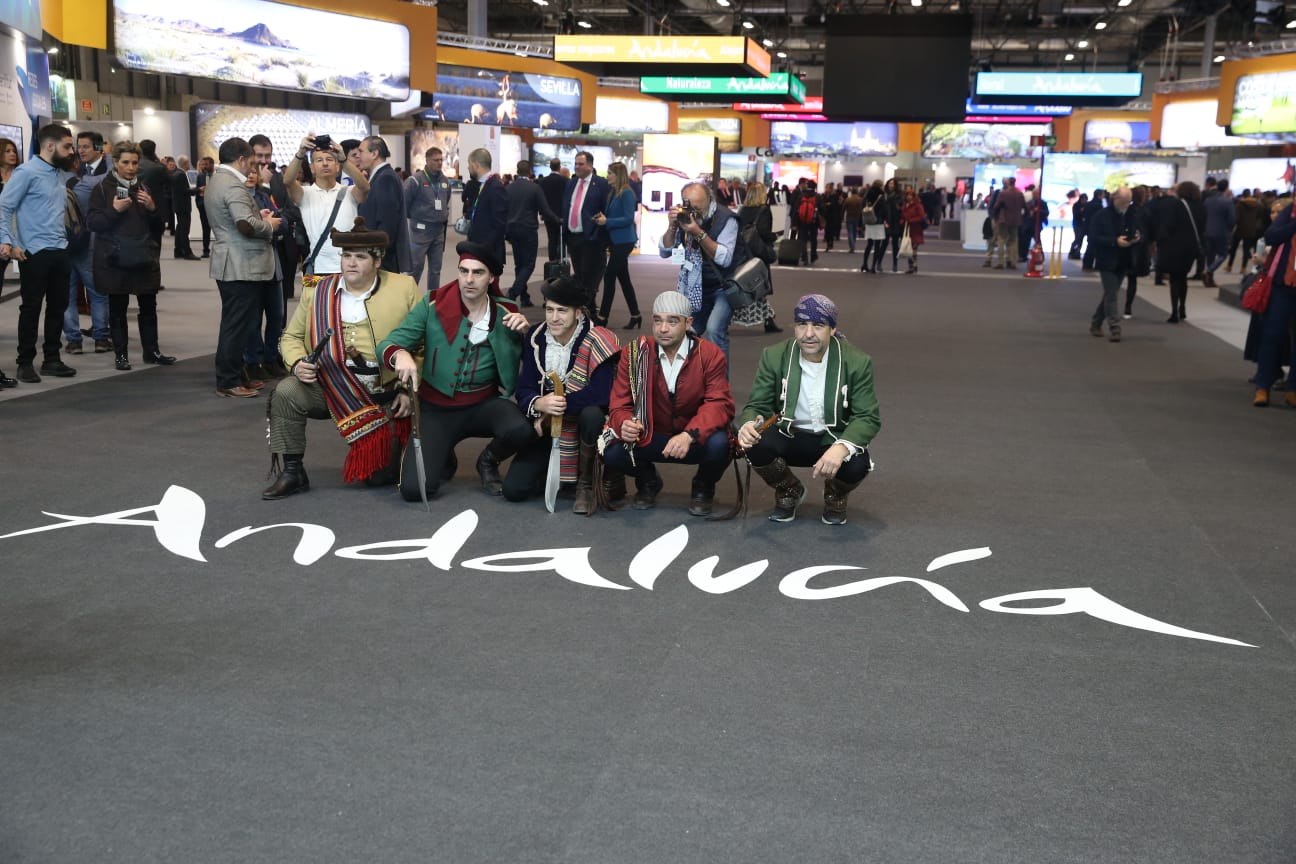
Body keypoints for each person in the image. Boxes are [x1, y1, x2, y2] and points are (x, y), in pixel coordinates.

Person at [261, 219, 423, 500]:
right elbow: (290, 337)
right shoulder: (317, 289)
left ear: (377, 260)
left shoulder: (403, 287)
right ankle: (292, 471)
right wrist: (298, 363)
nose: (351, 263)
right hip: (330, 387)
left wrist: (407, 391)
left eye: (360, 257)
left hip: (382, 394)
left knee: (379, 479)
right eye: (346, 256)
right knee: (286, 392)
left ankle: (424, 455)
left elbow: (422, 345)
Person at [380, 241, 532, 500]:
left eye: (478, 273)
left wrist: (527, 335)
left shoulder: (508, 313)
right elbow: (388, 343)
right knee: (415, 491)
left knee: (519, 429)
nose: (469, 279)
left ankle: (487, 461)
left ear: (492, 277)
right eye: (464, 271)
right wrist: (400, 354)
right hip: (437, 408)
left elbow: (535, 361)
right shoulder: (432, 305)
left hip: (484, 404)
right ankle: (443, 451)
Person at [737, 293, 879, 525]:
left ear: (832, 329)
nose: (808, 333)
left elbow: (867, 417)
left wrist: (841, 448)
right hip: (789, 435)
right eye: (802, 324)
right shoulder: (774, 356)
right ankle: (789, 490)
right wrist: (748, 424)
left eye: (818, 325)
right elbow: (757, 405)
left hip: (831, 438)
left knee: (856, 464)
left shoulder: (856, 362)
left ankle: (835, 493)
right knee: (754, 442)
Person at [601, 291, 734, 515]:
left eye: (672, 321)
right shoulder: (634, 353)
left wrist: (689, 435)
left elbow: (719, 403)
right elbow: (618, 405)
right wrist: (624, 423)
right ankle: (647, 480)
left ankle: (703, 486)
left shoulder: (710, 354)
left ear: (688, 323)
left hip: (692, 437)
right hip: (650, 434)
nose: (663, 328)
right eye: (657, 320)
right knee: (612, 451)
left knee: (722, 445)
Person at [505, 275, 621, 512]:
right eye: (549, 310)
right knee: (514, 490)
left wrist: (557, 406)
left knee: (592, 415)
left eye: (562, 311)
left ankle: (586, 481)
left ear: (578, 313)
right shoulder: (536, 337)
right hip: (548, 428)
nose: (554, 318)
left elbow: (601, 394)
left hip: (585, 426)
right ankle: (555, 473)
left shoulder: (598, 338)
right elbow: (524, 387)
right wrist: (538, 403)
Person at [85, 140, 175, 371]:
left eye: (134, 162)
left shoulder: (144, 189)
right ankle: (121, 355)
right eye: (125, 162)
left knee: (148, 306)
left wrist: (153, 208)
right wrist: (114, 210)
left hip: (143, 256)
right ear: (115, 162)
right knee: (118, 308)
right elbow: (93, 223)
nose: (131, 167)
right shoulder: (103, 189)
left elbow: (159, 226)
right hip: (114, 258)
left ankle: (152, 351)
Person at [0, 124, 78, 384]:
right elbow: (4, 208)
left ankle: (52, 359)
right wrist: (9, 242)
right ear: (50, 146)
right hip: (34, 253)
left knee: (58, 307)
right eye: (67, 146)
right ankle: (24, 363)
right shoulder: (26, 172)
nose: (71, 151)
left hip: (60, 250)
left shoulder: (58, 174)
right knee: (31, 309)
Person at [207, 136, 282, 398]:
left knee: (235, 322)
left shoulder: (218, 181)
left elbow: (240, 220)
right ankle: (228, 380)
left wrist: (255, 218)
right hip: (240, 263)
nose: (253, 168)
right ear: (240, 159)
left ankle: (236, 375)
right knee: (236, 325)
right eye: (251, 162)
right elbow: (244, 225)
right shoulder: (234, 186)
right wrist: (268, 226)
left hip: (233, 261)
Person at [658, 181, 743, 368]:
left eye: (698, 206)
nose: (694, 210)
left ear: (709, 200)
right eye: (689, 205)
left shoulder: (727, 219)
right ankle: (690, 382)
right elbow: (665, 251)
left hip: (723, 285)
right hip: (694, 287)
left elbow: (725, 259)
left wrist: (697, 231)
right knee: (685, 333)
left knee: (714, 330)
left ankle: (720, 388)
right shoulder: (684, 216)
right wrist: (672, 226)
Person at [284, 133, 369, 288]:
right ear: (312, 168)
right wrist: (300, 152)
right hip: (316, 268)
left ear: (338, 166)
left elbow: (364, 186)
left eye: (330, 159)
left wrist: (343, 158)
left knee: (349, 311)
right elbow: (288, 181)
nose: (324, 164)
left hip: (349, 268)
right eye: (319, 160)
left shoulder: (349, 192)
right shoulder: (305, 194)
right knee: (318, 310)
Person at [63, 146, 112, 356]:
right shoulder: (86, 183)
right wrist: (106, 153)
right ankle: (101, 338)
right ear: (75, 163)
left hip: (61, 245)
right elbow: (110, 174)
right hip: (86, 243)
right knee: (98, 294)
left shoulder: (50, 184)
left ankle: (74, 341)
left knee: (67, 296)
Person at [1251, 199, 1296, 408]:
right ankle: (1262, 386)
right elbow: (1271, 236)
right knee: (1272, 335)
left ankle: (1293, 388)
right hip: (1283, 286)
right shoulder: (1290, 212)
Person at [1087, 186, 1138, 343]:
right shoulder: (1101, 216)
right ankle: (1115, 327)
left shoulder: (1130, 214)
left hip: (1123, 260)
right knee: (1112, 294)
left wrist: (1136, 237)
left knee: (1110, 294)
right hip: (1106, 260)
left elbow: (1138, 230)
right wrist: (1114, 241)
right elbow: (1093, 237)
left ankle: (1096, 323)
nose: (1126, 205)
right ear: (1115, 199)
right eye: (1123, 202)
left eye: (1128, 202)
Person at [503, 159, 557, 308]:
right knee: (529, 265)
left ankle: (525, 297)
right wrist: (558, 220)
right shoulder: (534, 188)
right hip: (528, 230)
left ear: (517, 170)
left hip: (512, 230)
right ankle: (513, 293)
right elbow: (545, 210)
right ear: (530, 172)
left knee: (519, 264)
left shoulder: (509, 188)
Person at [593, 162, 640, 328]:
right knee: (624, 279)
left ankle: (603, 317)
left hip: (625, 241)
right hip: (616, 240)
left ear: (618, 175)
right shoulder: (613, 192)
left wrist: (608, 221)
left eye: (610, 173)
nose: (607, 176)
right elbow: (615, 214)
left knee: (609, 276)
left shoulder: (626, 193)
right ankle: (636, 315)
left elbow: (628, 218)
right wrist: (603, 217)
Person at [1151, 181, 1205, 323]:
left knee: (1174, 279)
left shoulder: (1176, 205)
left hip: (1175, 247)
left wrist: (1160, 242)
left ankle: (1174, 311)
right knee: (1183, 278)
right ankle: (1183, 308)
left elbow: (1168, 226)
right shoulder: (1201, 206)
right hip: (1191, 248)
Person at [732, 180, 782, 334]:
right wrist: (774, 236)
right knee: (760, 287)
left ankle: (726, 319)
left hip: (742, 253)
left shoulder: (742, 210)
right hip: (758, 254)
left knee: (742, 286)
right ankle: (768, 321)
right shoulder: (764, 210)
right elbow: (763, 232)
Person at [562, 150, 611, 306]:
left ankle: (588, 308)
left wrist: (600, 234)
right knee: (579, 275)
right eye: (575, 163)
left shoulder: (601, 184)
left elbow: (606, 210)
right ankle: (587, 308)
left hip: (591, 238)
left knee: (590, 275)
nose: (577, 167)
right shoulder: (571, 183)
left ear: (590, 166)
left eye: (581, 164)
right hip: (572, 236)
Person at [356, 135, 410, 274]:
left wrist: (376, 255)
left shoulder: (385, 178)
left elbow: (387, 225)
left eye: (361, 151)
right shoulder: (380, 177)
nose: (358, 155)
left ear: (374, 154)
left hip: (383, 261)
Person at [404, 146, 451, 289]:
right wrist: (419, 217)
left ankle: (433, 300)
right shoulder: (415, 180)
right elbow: (404, 204)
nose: (439, 163)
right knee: (415, 269)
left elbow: (445, 200)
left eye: (441, 160)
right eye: (435, 160)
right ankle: (409, 300)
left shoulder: (445, 181)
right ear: (427, 160)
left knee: (436, 270)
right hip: (420, 232)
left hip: (438, 232)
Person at [465, 147, 509, 273]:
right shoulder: (483, 185)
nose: (468, 168)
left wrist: (485, 247)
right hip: (479, 248)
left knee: (490, 290)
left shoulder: (495, 187)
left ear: (476, 165)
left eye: (469, 165)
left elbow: (500, 224)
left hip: (488, 252)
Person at [136, 140, 172, 252]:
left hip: (136, 209)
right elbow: (169, 182)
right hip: (155, 209)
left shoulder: (133, 165)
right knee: (155, 247)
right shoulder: (158, 168)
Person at [1123, 186, 1152, 319]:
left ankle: (1126, 307)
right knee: (1132, 278)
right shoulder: (1147, 210)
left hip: (1129, 245)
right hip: (1141, 246)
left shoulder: (1128, 210)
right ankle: (1128, 307)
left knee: (1129, 276)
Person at [1202, 179, 1235, 289]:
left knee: (1210, 255)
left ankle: (1210, 279)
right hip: (1221, 232)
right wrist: (1229, 230)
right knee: (1223, 254)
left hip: (1207, 231)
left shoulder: (1208, 200)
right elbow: (1232, 219)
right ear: (1226, 188)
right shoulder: (1228, 201)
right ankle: (1209, 272)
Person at [985, 176, 1024, 270]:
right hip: (1015, 220)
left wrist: (994, 217)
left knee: (1001, 240)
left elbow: (995, 206)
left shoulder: (1002, 193)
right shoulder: (1019, 193)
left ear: (1008, 183)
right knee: (1013, 241)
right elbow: (1024, 206)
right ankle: (1012, 262)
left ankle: (1001, 262)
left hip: (1003, 220)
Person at [170, 155, 200, 260]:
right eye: (188, 163)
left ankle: (178, 250)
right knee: (184, 229)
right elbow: (184, 191)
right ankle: (187, 252)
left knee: (179, 228)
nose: (189, 165)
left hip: (179, 206)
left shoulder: (176, 173)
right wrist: (198, 190)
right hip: (183, 206)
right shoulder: (181, 175)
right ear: (185, 163)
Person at [537, 158, 567, 262]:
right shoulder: (565, 181)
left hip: (548, 215)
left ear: (550, 167)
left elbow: (541, 199)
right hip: (562, 216)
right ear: (560, 167)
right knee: (561, 240)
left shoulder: (542, 182)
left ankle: (551, 262)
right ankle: (560, 261)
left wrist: (542, 213)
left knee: (551, 239)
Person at [860, 180, 888, 274]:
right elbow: (884, 210)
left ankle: (864, 264)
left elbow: (862, 205)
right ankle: (873, 266)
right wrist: (885, 220)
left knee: (869, 244)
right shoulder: (881, 195)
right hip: (878, 222)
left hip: (869, 221)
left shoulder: (868, 194)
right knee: (877, 246)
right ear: (880, 186)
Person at [898, 188, 927, 275]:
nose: (909, 197)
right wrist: (902, 221)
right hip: (907, 231)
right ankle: (911, 267)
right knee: (908, 249)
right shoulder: (904, 206)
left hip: (916, 230)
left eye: (911, 195)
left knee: (913, 249)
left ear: (914, 196)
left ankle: (914, 266)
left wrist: (911, 220)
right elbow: (902, 216)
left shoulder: (918, 205)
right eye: (907, 195)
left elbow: (921, 216)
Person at [881, 178, 905, 273]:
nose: (891, 185)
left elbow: (901, 208)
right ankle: (879, 262)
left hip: (895, 222)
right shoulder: (884, 195)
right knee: (884, 244)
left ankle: (895, 264)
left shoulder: (898, 196)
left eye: (893, 183)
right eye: (890, 183)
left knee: (895, 245)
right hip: (886, 221)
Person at [793, 179, 820, 266]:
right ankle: (813, 256)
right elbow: (823, 209)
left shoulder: (801, 196)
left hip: (802, 221)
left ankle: (804, 257)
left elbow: (796, 210)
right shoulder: (817, 196)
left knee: (803, 240)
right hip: (813, 221)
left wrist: (794, 223)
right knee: (813, 239)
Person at [194, 156, 214, 258]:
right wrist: (199, 204)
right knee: (205, 229)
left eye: (206, 164)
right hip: (203, 207)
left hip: (215, 207)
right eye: (203, 164)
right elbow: (197, 192)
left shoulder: (217, 176)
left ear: (212, 164)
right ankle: (206, 250)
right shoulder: (200, 177)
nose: (204, 166)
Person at [843, 187, 863, 255]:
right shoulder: (860, 199)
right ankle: (853, 244)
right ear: (857, 192)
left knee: (850, 232)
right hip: (857, 217)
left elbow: (843, 208)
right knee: (854, 232)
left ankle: (852, 247)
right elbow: (862, 209)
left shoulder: (848, 199)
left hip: (849, 217)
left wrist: (841, 217)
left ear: (851, 192)